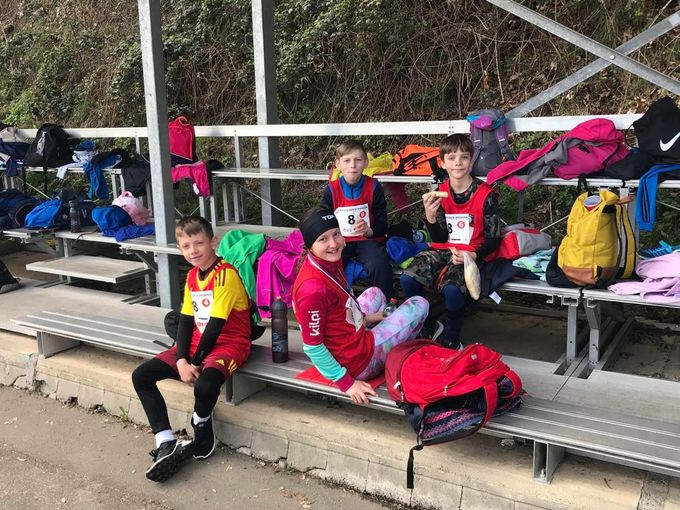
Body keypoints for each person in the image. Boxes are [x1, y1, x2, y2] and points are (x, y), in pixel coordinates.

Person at [131, 216, 252, 482]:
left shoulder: (226, 275)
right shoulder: (192, 276)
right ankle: (165, 441)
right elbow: (186, 320)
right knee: (141, 376)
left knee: (205, 386)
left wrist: (194, 363)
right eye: (186, 246)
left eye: (199, 243)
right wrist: (181, 358)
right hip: (199, 341)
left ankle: (201, 421)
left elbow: (216, 326)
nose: (193, 251)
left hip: (229, 342)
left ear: (213, 242)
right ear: (179, 248)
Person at [292, 207, 429, 405]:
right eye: (323, 239)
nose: (333, 244)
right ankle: (392, 352)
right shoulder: (312, 289)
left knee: (376, 293)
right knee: (420, 304)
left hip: (350, 335)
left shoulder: (324, 261)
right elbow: (313, 347)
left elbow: (341, 308)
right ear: (309, 245)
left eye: (336, 234)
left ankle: (382, 331)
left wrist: (372, 318)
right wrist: (347, 384)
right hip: (357, 363)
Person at [399, 134, 501, 349]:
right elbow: (439, 237)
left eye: (464, 157)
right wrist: (430, 218)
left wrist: (472, 255)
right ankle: (429, 324)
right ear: (443, 163)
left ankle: (452, 336)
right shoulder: (440, 193)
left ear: (471, 161)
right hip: (444, 248)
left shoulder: (486, 194)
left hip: (472, 251)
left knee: (452, 289)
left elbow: (494, 239)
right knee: (407, 278)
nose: (458, 163)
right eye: (452, 158)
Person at [321, 140, 394, 299]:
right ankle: (332, 303)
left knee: (379, 263)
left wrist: (370, 231)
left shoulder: (374, 187)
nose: (352, 165)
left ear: (366, 163)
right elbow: (323, 223)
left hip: (367, 239)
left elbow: (383, 223)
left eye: (358, 160)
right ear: (338, 164)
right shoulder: (331, 190)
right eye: (347, 160)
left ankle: (385, 303)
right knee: (329, 264)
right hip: (340, 241)